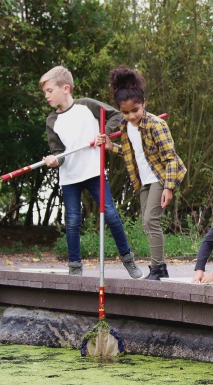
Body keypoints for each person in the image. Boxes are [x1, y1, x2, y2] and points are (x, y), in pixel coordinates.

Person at [39, 66, 142, 278]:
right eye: (45, 92)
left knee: (111, 215)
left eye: (49, 90)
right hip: (69, 177)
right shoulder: (52, 120)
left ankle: (128, 259)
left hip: (94, 171)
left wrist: (103, 134)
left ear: (65, 88)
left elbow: (116, 116)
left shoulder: (86, 105)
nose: (46, 95)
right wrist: (54, 161)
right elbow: (59, 153)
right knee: (73, 220)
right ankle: (75, 267)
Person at [97, 66, 187, 280]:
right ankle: (160, 267)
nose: (131, 116)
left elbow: (170, 158)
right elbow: (132, 153)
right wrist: (111, 146)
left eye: (135, 110)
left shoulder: (156, 125)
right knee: (146, 222)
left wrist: (169, 187)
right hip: (143, 180)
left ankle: (157, 268)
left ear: (143, 103)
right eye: (126, 112)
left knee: (150, 220)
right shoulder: (126, 127)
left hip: (161, 177)